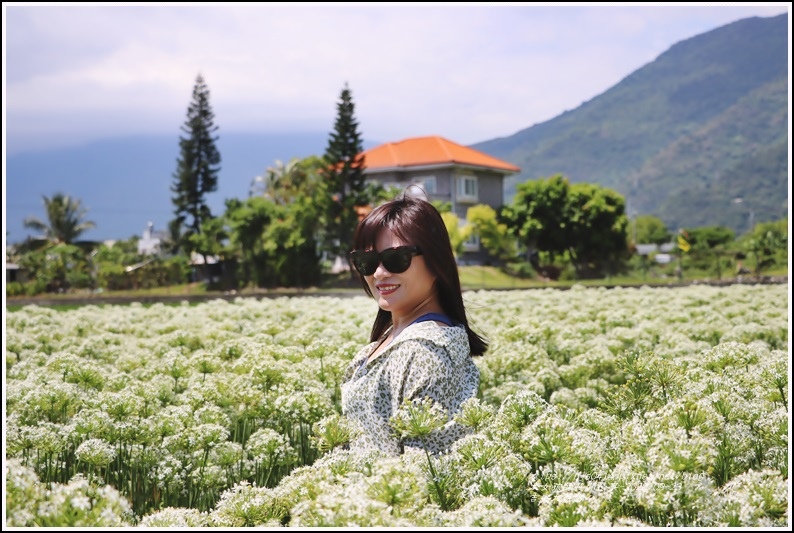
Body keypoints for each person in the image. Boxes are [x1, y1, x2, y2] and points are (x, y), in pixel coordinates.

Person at [340, 191, 488, 455]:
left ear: (435, 261)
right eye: (367, 262)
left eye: (396, 259)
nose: (379, 273)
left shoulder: (426, 352)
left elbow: (424, 469)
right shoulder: (393, 338)